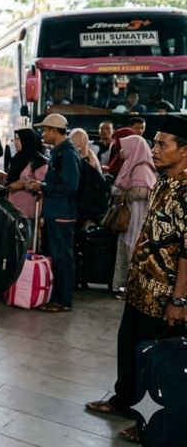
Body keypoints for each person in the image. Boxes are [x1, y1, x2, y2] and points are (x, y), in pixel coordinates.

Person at [85, 114, 187, 444]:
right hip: (141, 288)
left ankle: (147, 423)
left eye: (162, 144)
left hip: (165, 296)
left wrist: (178, 300)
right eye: (154, 143)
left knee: (153, 362)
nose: (154, 149)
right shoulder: (164, 181)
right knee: (129, 348)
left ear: (184, 150)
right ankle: (123, 401)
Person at [28, 113, 81, 313]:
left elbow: (70, 186)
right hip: (56, 211)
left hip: (62, 213)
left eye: (45, 130)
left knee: (62, 258)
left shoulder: (67, 153)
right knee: (58, 256)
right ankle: (58, 296)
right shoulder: (60, 151)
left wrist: (43, 186)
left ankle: (63, 300)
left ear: (54, 131)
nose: (43, 134)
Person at [110, 135, 156, 293]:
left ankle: (131, 285)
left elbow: (141, 192)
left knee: (132, 247)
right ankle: (125, 285)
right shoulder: (132, 165)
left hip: (135, 216)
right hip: (131, 215)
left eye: (124, 147)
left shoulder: (140, 168)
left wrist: (122, 194)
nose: (121, 151)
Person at [5, 129, 49, 234]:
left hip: (28, 212)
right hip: (12, 209)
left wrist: (23, 185)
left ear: (27, 140)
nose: (15, 142)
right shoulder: (16, 158)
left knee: (25, 240)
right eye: (14, 139)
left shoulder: (39, 161)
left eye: (18, 139)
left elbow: (42, 186)